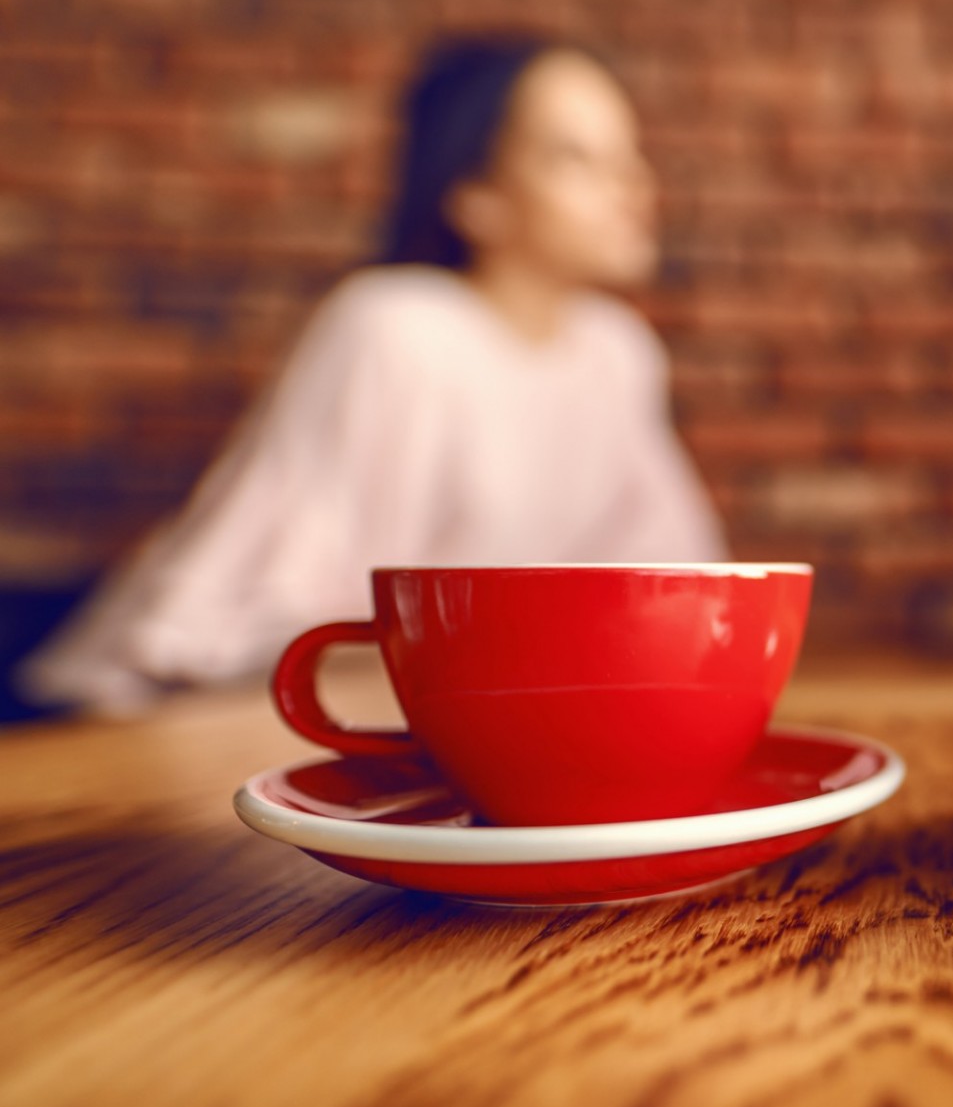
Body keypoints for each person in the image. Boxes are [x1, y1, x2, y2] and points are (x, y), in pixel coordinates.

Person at [20, 38, 725, 713]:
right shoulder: (392, 328)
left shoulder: (617, 352)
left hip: (440, 720)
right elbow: (272, 617)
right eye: (577, 158)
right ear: (474, 194)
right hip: (160, 714)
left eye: (629, 155)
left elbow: (671, 580)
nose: (633, 186)